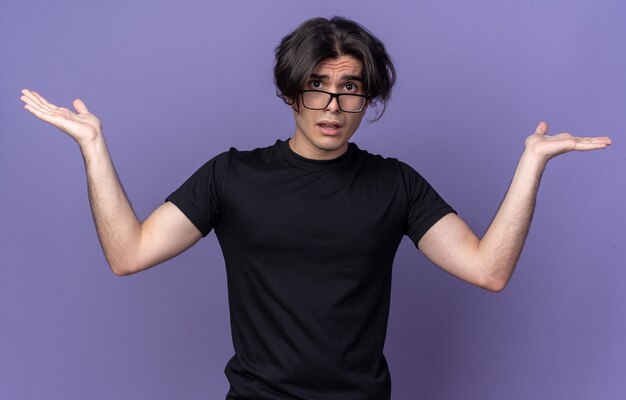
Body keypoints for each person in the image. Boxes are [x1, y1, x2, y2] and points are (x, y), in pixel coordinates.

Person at [20, 16, 611, 400]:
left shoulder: (395, 185)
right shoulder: (233, 175)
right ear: (290, 91)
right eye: (317, 84)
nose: (332, 103)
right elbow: (128, 253)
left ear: (367, 99)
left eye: (350, 87)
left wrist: (531, 164)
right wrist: (94, 148)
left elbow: (490, 269)